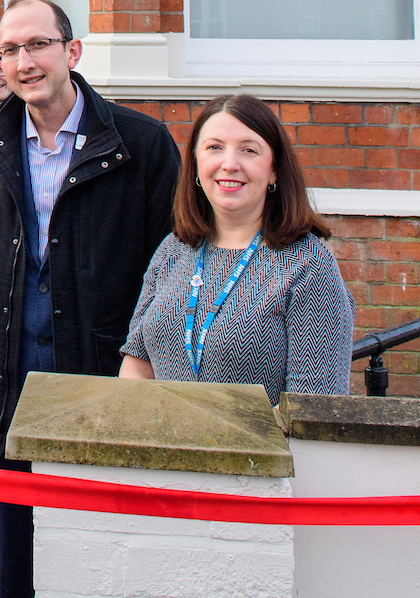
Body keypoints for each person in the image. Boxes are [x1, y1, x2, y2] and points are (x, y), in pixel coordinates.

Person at [0, 0, 181, 598]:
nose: (24, 60)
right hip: (7, 381)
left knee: (103, 563)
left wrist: (147, 369)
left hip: (103, 384)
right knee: (16, 568)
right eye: (10, 49)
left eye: (37, 44)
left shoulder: (142, 145)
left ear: (71, 51)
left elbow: (169, 277)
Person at [120, 94, 354, 403]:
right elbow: (137, 367)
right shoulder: (173, 251)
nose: (229, 164)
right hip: (164, 447)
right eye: (214, 147)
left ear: (273, 170)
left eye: (249, 150)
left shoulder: (306, 264)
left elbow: (316, 408)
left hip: (258, 451)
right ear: (195, 164)